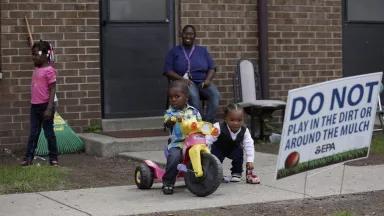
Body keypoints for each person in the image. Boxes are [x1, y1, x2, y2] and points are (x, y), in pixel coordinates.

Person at [163, 24, 220, 123]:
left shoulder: (202, 51)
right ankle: (199, 122)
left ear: (194, 36)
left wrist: (207, 80)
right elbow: (167, 71)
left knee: (215, 94)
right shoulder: (174, 51)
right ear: (181, 35)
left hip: (202, 82)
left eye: (191, 34)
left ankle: (208, 121)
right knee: (193, 95)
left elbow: (212, 68)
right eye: (186, 33)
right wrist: (182, 79)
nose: (188, 36)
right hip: (185, 82)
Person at [21, 40, 58, 166]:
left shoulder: (49, 70)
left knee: (49, 133)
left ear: (44, 55)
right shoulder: (37, 68)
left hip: (45, 106)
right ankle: (28, 158)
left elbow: (53, 89)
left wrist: (49, 108)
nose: (33, 57)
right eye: (32, 54)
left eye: (35, 54)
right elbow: (40, 56)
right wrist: (35, 49)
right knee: (33, 133)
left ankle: (53, 159)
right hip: (34, 106)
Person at [162, 80, 202, 195]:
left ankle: (210, 174)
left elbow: (200, 124)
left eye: (177, 96)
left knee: (207, 152)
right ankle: (168, 182)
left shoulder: (194, 112)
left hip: (194, 142)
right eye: (171, 97)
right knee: (174, 157)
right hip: (178, 144)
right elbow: (167, 123)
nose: (173, 99)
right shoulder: (170, 113)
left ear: (186, 97)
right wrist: (171, 121)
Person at [208, 103, 260, 184]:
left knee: (239, 153)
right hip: (218, 148)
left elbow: (249, 144)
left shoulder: (244, 130)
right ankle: (216, 174)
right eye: (232, 120)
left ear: (243, 119)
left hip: (233, 148)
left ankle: (236, 173)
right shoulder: (217, 127)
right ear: (225, 119)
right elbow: (208, 139)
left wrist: (250, 160)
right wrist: (205, 151)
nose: (236, 123)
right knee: (215, 160)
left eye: (239, 120)